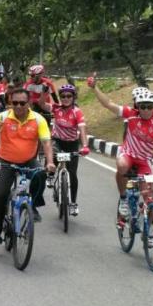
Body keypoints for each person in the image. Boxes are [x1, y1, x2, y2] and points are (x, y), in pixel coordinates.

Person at [86, 75, 153, 225]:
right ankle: (124, 197)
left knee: (149, 199)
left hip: (145, 160)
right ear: (137, 106)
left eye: (150, 107)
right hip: (128, 154)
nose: (146, 110)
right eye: (142, 106)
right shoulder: (131, 114)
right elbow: (108, 104)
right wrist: (95, 87)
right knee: (122, 165)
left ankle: (149, 234)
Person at [0, 88, 55, 245]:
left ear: (29, 103)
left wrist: (50, 162)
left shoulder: (38, 119)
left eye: (22, 103)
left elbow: (46, 142)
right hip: (5, 161)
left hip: (28, 160)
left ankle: (35, 206)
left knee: (40, 174)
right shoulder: (2, 116)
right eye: (14, 103)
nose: (18, 106)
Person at [37, 84, 90, 216]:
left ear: (73, 97)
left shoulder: (77, 112)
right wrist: (44, 93)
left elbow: (82, 129)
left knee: (72, 174)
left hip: (72, 144)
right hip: (57, 141)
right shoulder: (56, 108)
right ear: (60, 97)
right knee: (52, 151)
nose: (66, 98)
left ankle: (73, 203)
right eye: (63, 96)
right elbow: (42, 104)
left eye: (69, 96)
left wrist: (84, 146)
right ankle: (50, 175)